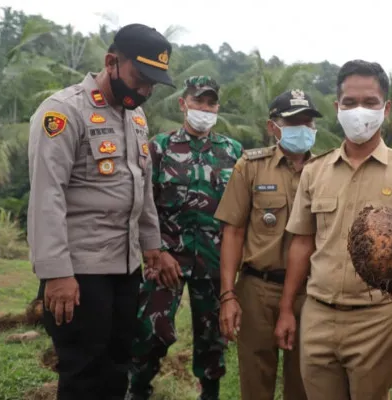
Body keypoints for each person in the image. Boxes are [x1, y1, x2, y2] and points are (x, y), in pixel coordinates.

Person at [274, 60, 392, 400]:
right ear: (337, 108)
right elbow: (302, 243)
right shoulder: (315, 171)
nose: (359, 111)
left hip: (377, 321)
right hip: (318, 315)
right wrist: (286, 310)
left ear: (386, 108)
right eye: (350, 103)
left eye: (370, 102)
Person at [26, 23, 175, 400]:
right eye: (139, 79)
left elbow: (141, 190)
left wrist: (152, 245)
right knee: (84, 372)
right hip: (79, 274)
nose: (144, 92)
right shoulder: (63, 112)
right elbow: (47, 197)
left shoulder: (135, 118)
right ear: (111, 62)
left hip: (125, 269)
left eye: (152, 85)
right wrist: (57, 274)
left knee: (117, 365)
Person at [127, 76, 243, 400]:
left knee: (213, 338)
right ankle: (138, 390)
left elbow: (241, 212)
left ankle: (210, 393)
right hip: (166, 259)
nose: (204, 109)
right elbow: (142, 206)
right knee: (150, 332)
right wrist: (157, 251)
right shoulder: (159, 147)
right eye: (198, 101)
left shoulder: (233, 152)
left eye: (211, 103)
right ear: (183, 103)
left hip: (214, 261)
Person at [214, 89, 322, 400]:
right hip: (257, 289)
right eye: (292, 122)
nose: (302, 129)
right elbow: (232, 232)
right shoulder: (250, 166)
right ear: (272, 127)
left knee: (303, 381)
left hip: (310, 291)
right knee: (255, 379)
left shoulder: (326, 171)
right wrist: (227, 295)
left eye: (307, 122)